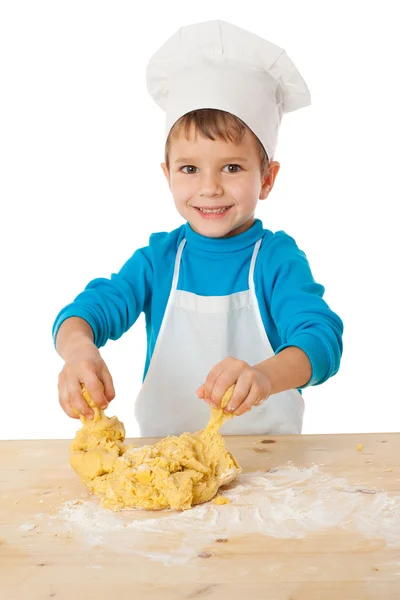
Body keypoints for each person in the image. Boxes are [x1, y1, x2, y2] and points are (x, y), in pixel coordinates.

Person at [52, 19, 344, 437]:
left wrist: (264, 377)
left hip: (273, 470)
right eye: (190, 168)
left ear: (267, 178)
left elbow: (322, 341)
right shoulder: (158, 261)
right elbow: (85, 312)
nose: (209, 188)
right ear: (167, 174)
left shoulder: (277, 261)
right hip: (165, 465)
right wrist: (78, 351)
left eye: (232, 167)